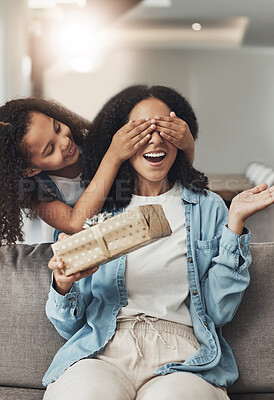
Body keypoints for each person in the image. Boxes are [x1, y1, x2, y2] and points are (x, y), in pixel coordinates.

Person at [42, 85, 274, 400]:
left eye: (165, 128)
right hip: (103, 351)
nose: (154, 138)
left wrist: (235, 224)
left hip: (182, 354)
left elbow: (219, 312)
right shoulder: (95, 210)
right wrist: (63, 285)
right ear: (121, 140)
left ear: (180, 136)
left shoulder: (207, 208)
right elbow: (69, 327)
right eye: (141, 130)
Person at [0, 96, 194, 245]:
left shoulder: (90, 140)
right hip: (89, 242)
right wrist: (113, 157)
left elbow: (174, 176)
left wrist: (188, 145)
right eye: (50, 149)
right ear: (31, 170)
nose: (65, 142)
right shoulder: (36, 192)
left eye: (57, 128)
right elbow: (76, 224)